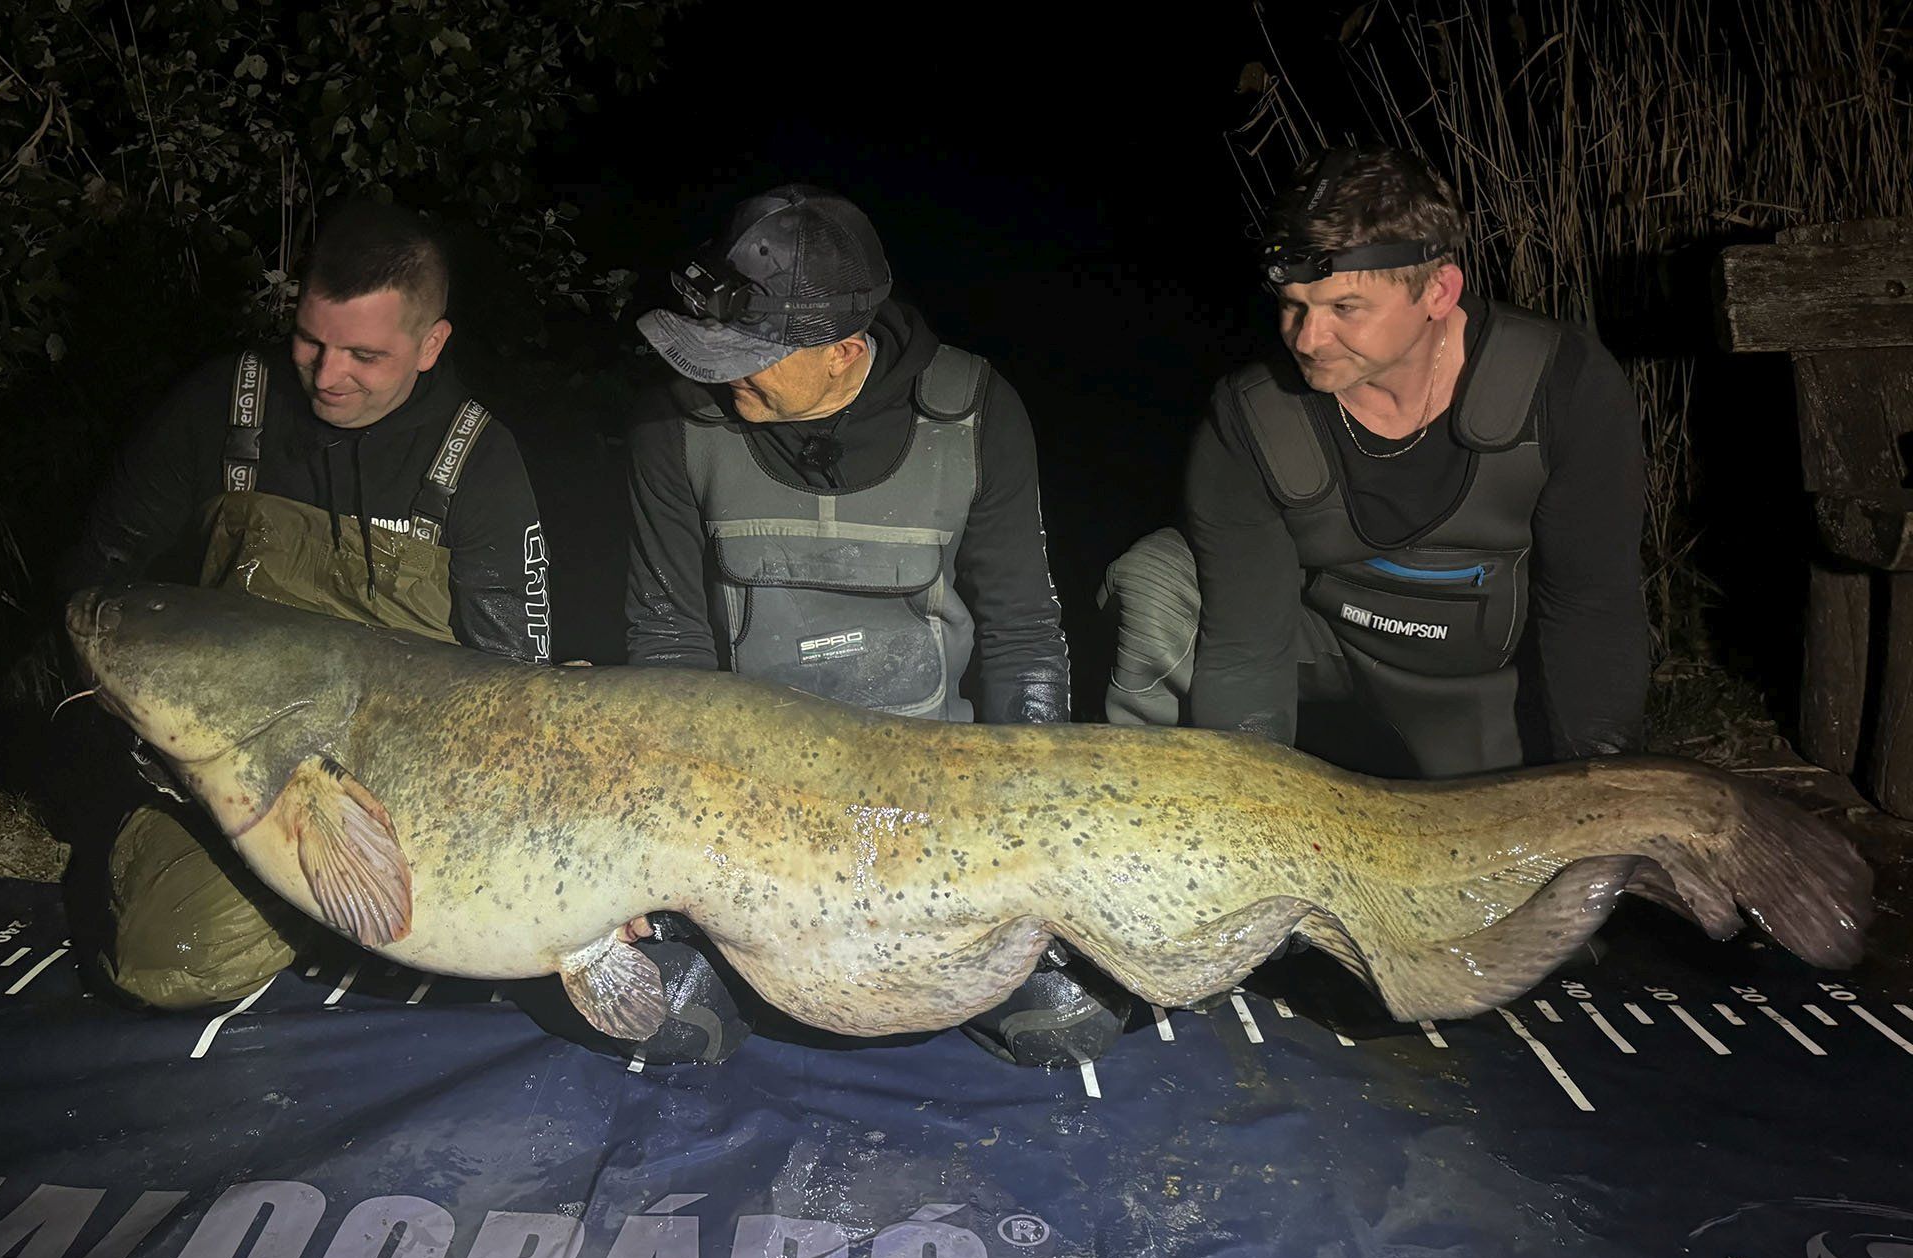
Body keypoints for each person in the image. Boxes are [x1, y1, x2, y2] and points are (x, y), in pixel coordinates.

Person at [624, 184, 1119, 1067]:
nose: (715, 369)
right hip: (751, 804)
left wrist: (1035, 840)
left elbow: (1022, 633)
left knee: (1066, 1023)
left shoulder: (974, 412)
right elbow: (668, 647)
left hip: (936, 794)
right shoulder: (678, 424)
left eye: (750, 352)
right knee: (665, 1021)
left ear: (845, 350)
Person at [59, 200, 550, 1010]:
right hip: (240, 771)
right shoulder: (226, 404)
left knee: (519, 933)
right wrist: (137, 737)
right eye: (311, 341)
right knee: (164, 960)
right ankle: (305, 909)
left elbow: (519, 685)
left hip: (410, 785)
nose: (327, 377)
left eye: (365, 354)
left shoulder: (480, 459)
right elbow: (99, 576)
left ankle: (343, 913)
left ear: (431, 345)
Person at [1102, 145, 1648, 778]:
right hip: (1327, 652)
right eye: (1293, 305)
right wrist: (1253, 794)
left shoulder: (1564, 385)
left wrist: (1603, 786)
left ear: (1439, 291)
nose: (1307, 339)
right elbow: (1247, 649)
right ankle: (1161, 814)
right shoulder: (1250, 415)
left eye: (1344, 309)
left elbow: (1592, 611)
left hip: (1486, 681)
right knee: (1154, 576)